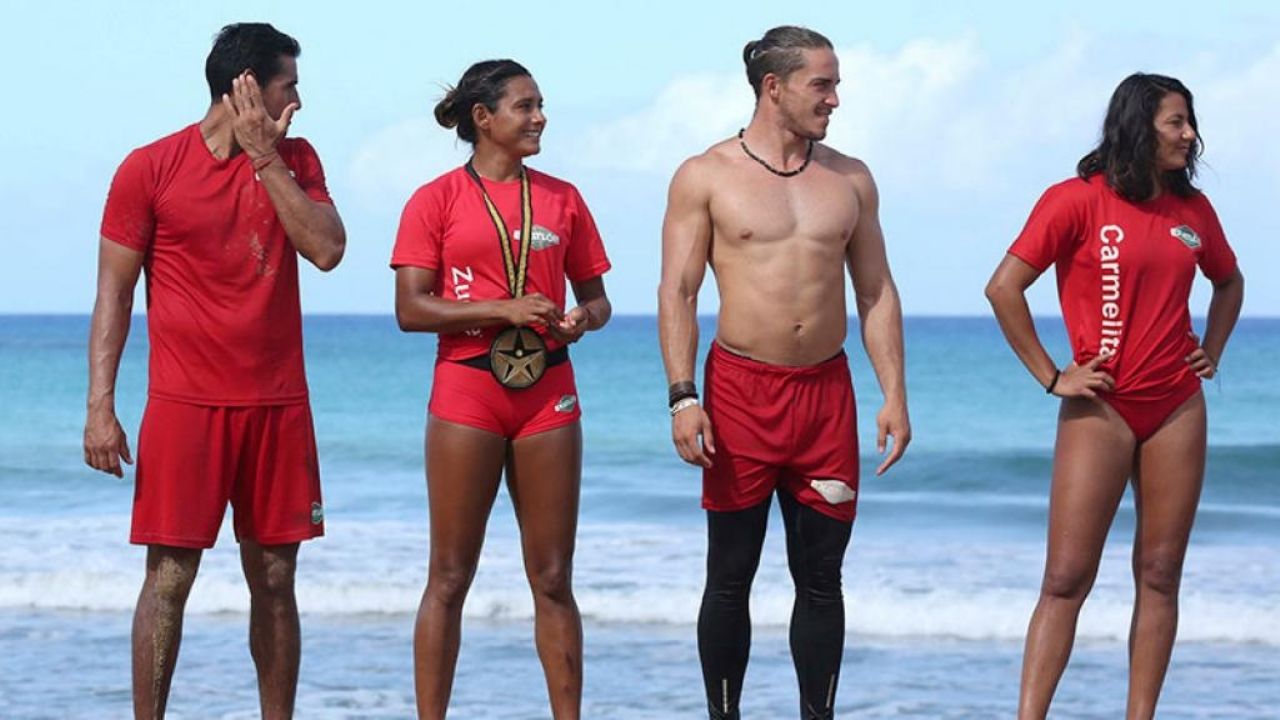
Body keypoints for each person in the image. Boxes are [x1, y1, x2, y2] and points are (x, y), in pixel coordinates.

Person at [81, 22, 345, 720]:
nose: (300, 100)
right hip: (184, 405)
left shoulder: (297, 160)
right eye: (289, 84)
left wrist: (267, 160)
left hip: (278, 405)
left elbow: (326, 250)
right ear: (247, 87)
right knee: (168, 578)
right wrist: (99, 406)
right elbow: (113, 294)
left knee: (276, 580)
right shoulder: (149, 168)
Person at [658, 26, 911, 720]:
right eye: (821, 85)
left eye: (835, 83)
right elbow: (678, 292)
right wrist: (683, 398)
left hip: (825, 395)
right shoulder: (705, 175)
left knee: (823, 579)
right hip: (739, 392)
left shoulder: (851, 178)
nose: (835, 98)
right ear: (775, 88)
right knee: (731, 575)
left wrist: (894, 394)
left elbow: (876, 292)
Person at [985, 72, 1245, 719]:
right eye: (1176, 123)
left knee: (1159, 574)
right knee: (1066, 579)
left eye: (1189, 123)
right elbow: (1004, 288)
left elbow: (1229, 281)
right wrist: (1052, 376)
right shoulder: (1075, 200)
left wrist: (1211, 349)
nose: (1190, 135)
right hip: (1100, 406)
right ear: (1139, 126)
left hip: (1177, 405)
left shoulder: (1194, 211)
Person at [391, 59, 612, 720]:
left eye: (541, 104)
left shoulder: (563, 198)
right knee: (451, 578)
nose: (539, 116)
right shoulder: (435, 200)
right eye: (525, 106)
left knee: (552, 578)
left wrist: (581, 321)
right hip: (468, 390)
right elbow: (411, 309)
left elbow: (598, 300)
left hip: (549, 390)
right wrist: (504, 309)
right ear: (482, 118)